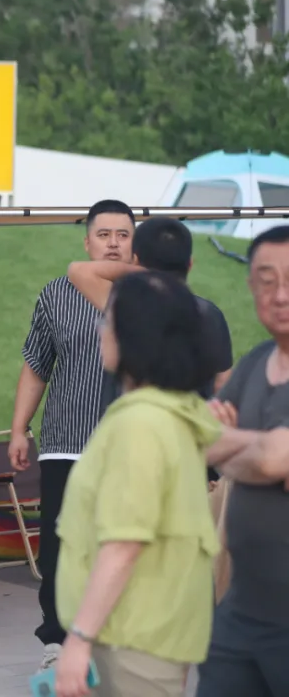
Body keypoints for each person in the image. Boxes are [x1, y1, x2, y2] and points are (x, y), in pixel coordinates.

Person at [53, 270, 289, 697]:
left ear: (135, 337)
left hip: (127, 640)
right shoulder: (180, 410)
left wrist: (79, 639)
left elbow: (124, 545)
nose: (100, 330)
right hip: (152, 634)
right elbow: (257, 448)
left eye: (108, 320)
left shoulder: (140, 425)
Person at [9, 199, 135, 671]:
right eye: (104, 234)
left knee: (124, 544)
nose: (113, 243)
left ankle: (118, 642)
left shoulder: (150, 295)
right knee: (61, 547)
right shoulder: (56, 295)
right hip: (67, 444)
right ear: (87, 242)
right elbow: (36, 365)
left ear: (134, 244)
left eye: (123, 235)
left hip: (132, 449)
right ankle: (57, 642)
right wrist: (19, 429)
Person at [64, 216, 235, 484]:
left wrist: (144, 271)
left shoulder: (127, 306)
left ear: (134, 260)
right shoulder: (210, 314)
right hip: (191, 451)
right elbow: (223, 383)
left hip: (127, 450)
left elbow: (79, 271)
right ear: (190, 264)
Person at [195, 225, 289, 697]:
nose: (280, 295)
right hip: (241, 608)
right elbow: (202, 439)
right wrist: (258, 449)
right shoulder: (254, 363)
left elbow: (274, 459)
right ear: (251, 286)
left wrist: (235, 444)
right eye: (267, 281)